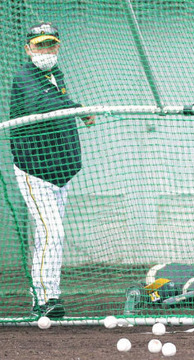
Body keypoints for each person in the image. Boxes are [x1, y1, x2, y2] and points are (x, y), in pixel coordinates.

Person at [9, 22, 95, 319]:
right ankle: (46, 297)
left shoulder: (55, 74)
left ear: (57, 46)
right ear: (28, 49)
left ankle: (48, 295)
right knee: (52, 232)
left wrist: (77, 109)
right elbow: (42, 103)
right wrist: (77, 108)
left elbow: (57, 101)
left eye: (50, 45)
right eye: (40, 45)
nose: (45, 50)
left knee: (49, 236)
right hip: (35, 171)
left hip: (59, 171)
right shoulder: (24, 76)